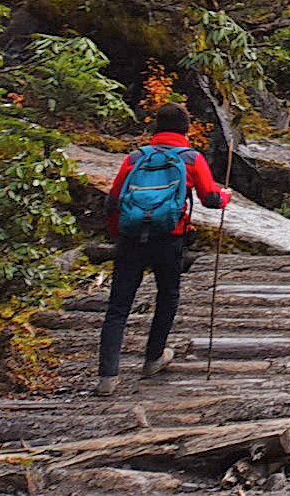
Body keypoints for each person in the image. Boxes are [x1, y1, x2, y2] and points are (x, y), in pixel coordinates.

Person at [97, 104, 229, 395]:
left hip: (131, 238)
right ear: (187, 128)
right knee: (167, 296)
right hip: (170, 238)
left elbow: (113, 201)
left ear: (156, 128)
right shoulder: (191, 158)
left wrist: (121, 233)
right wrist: (226, 197)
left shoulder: (135, 158)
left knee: (118, 307)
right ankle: (153, 357)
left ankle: (107, 376)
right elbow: (210, 199)